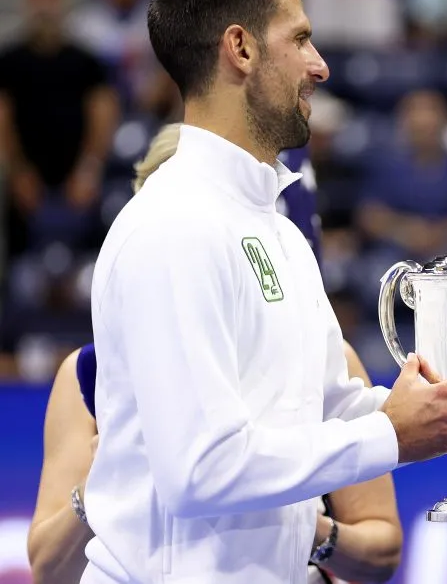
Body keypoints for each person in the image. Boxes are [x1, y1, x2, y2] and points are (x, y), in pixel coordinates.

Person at [82, 0, 447, 584]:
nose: (319, 66)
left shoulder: (279, 232)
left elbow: (324, 411)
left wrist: (446, 408)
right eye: (301, 39)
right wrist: (393, 434)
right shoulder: (173, 224)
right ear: (240, 49)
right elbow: (200, 470)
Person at [27, 124, 402, 584]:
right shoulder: (88, 372)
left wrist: (295, 525)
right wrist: (106, 483)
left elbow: (382, 552)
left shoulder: (328, 357)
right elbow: (47, 570)